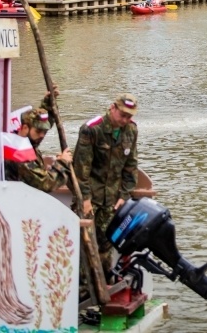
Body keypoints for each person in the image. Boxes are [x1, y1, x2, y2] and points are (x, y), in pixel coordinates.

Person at [73, 93, 140, 278]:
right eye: (122, 115)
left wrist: (124, 196)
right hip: (90, 196)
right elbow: (81, 170)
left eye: (129, 116)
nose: (125, 120)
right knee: (84, 244)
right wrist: (85, 199)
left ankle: (105, 283)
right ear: (112, 108)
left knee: (106, 244)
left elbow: (131, 167)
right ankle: (82, 287)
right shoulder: (92, 129)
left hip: (112, 198)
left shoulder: (131, 131)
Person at [5, 99, 73, 193]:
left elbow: (42, 122)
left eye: (44, 132)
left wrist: (48, 104)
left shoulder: (24, 140)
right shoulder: (20, 154)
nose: (42, 135)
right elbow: (46, 183)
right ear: (25, 128)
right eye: (38, 131)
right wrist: (63, 163)